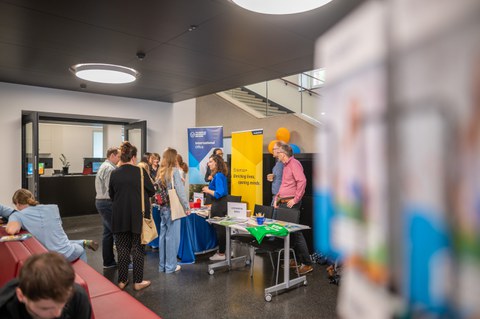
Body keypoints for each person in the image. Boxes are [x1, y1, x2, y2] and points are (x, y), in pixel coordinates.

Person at [109, 141, 155, 291]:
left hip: (119, 216)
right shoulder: (140, 172)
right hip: (137, 217)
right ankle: (138, 282)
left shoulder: (114, 173)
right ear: (133, 157)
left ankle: (122, 281)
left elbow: (112, 194)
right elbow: (152, 191)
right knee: (138, 249)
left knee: (122, 249)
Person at [5, 189, 98, 262]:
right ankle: (83, 243)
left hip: (50, 257)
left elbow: (11, 230)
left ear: (17, 203)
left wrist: (16, 220)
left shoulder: (17, 215)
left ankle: (81, 279)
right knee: (68, 244)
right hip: (66, 252)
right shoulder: (53, 207)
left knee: (79, 249)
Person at [0, 251, 92, 319]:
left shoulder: (77, 296)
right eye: (45, 308)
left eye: (63, 304)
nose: (57, 314)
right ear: (21, 296)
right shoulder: (5, 309)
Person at [274, 143, 313, 275]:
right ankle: (294, 259)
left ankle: (307, 263)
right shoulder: (285, 166)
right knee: (287, 232)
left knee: (295, 232)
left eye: (278, 152)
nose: (276, 154)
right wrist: (277, 198)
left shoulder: (294, 164)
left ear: (283, 154)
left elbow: (302, 181)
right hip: (284, 202)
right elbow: (284, 185)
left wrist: (295, 200)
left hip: (292, 203)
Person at [156, 148, 190, 273]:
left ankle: (162, 266)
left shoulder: (161, 172)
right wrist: (186, 206)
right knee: (172, 238)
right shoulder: (175, 172)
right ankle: (171, 266)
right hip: (173, 209)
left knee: (163, 237)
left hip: (163, 208)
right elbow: (180, 192)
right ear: (173, 158)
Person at [95, 146, 121, 269]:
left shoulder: (103, 166)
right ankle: (125, 262)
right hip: (107, 202)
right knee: (117, 232)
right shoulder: (110, 169)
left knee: (108, 233)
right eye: (118, 156)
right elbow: (111, 189)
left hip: (101, 201)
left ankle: (108, 261)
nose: (119, 159)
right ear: (112, 155)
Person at [202, 154, 229, 261]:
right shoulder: (219, 175)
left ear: (216, 163)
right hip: (219, 204)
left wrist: (208, 190)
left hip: (219, 204)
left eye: (211, 161)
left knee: (220, 230)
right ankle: (223, 251)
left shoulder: (218, 176)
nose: (208, 164)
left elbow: (219, 193)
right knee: (220, 229)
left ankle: (222, 254)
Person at [267, 141, 285, 206]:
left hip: (280, 198)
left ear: (279, 150)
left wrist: (278, 198)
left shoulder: (285, 163)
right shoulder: (278, 162)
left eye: (274, 149)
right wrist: (272, 176)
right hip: (275, 197)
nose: (273, 151)